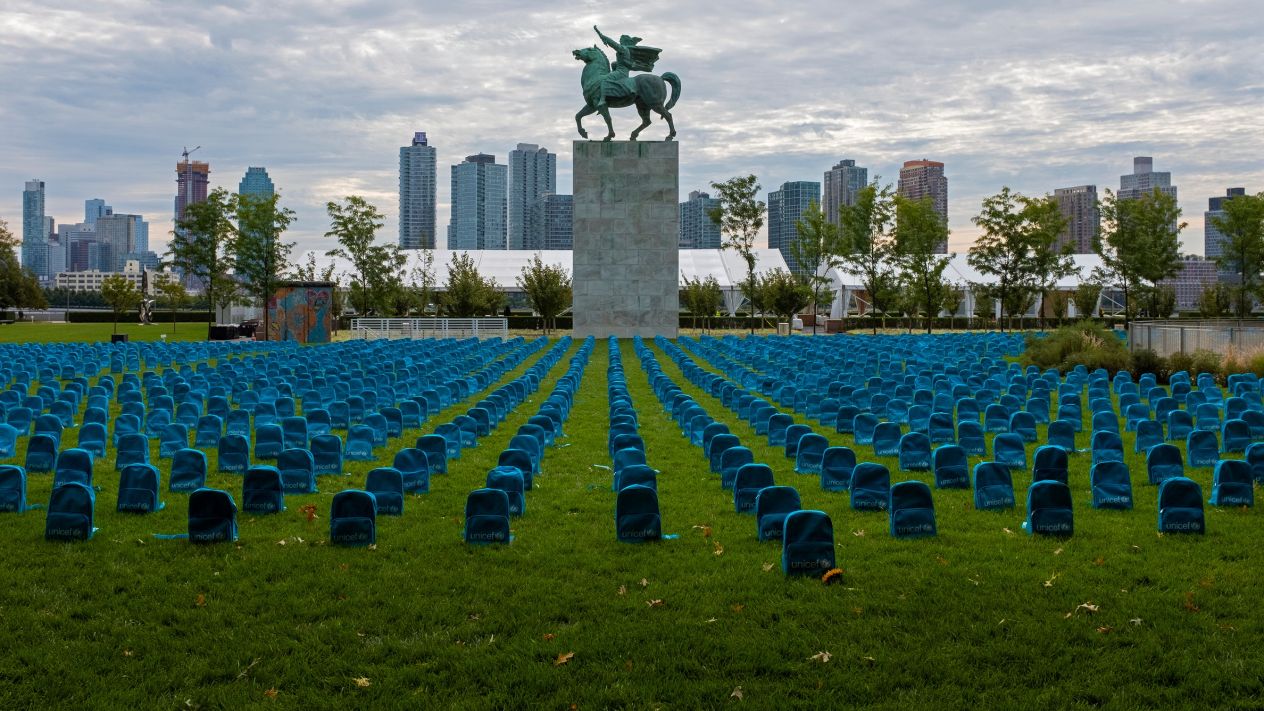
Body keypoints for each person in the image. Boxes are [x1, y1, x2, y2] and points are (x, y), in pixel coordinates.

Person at [593, 25, 661, 111]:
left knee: (604, 80)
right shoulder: (625, 49)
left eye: (621, 40)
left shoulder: (623, 49)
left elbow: (612, 44)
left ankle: (602, 100)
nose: (620, 41)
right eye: (620, 40)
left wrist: (601, 34)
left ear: (624, 41)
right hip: (620, 70)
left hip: (621, 72)